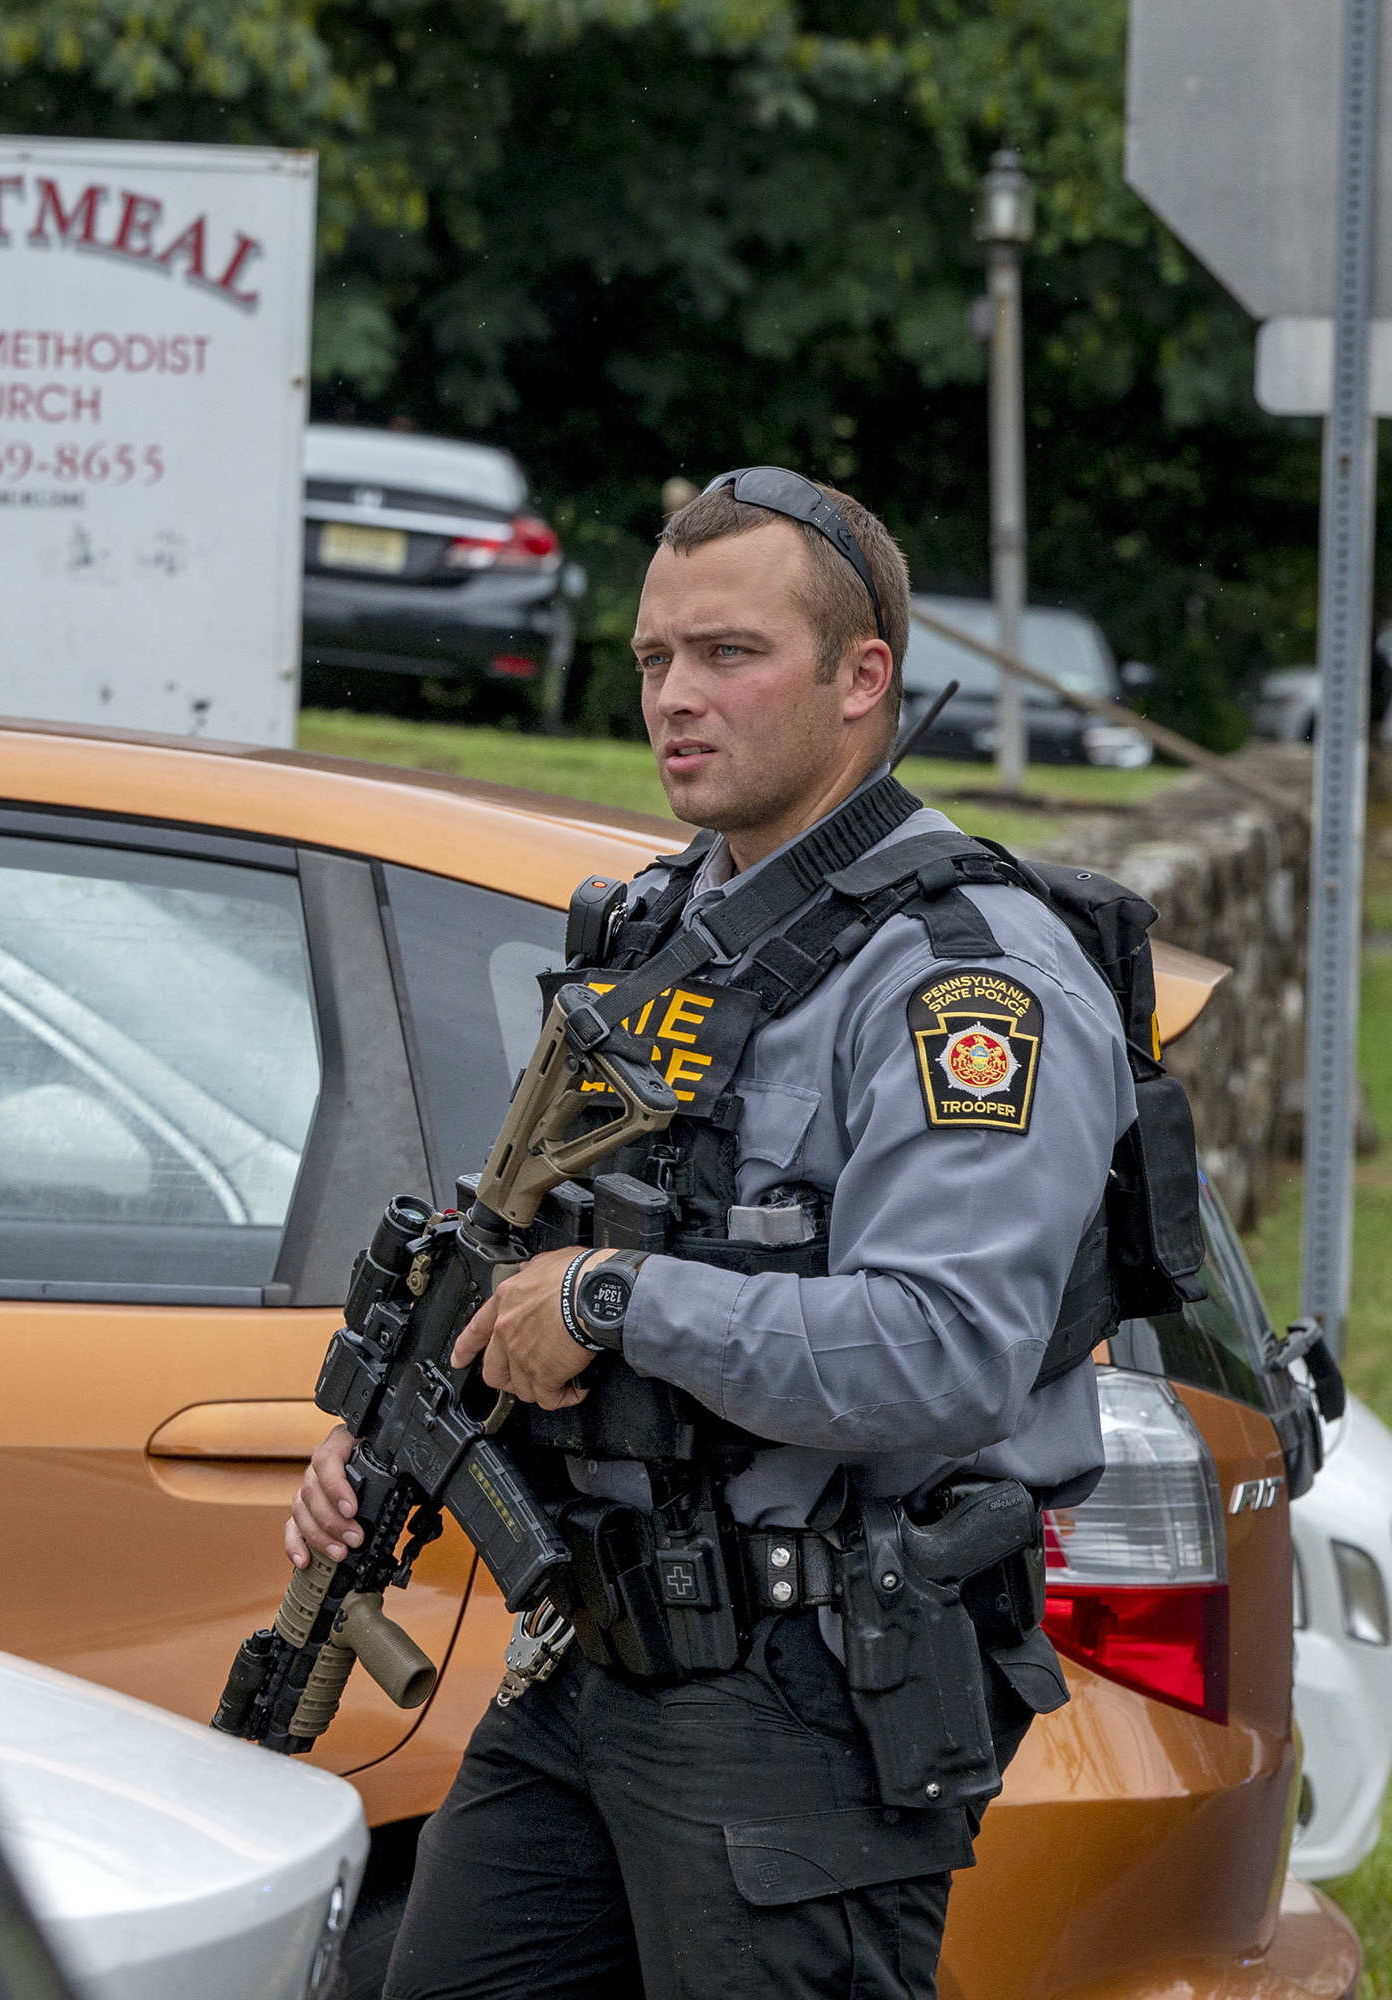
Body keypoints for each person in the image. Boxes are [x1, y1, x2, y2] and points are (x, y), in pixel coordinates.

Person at [289, 468, 1137, 1997]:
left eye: (728, 655)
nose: (675, 698)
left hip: (808, 1702)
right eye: (652, 660)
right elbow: (521, 1241)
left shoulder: (965, 981)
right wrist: (385, 1432)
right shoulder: (667, 927)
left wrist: (619, 1303)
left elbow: (944, 1355)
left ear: (860, 678)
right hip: (589, 1668)